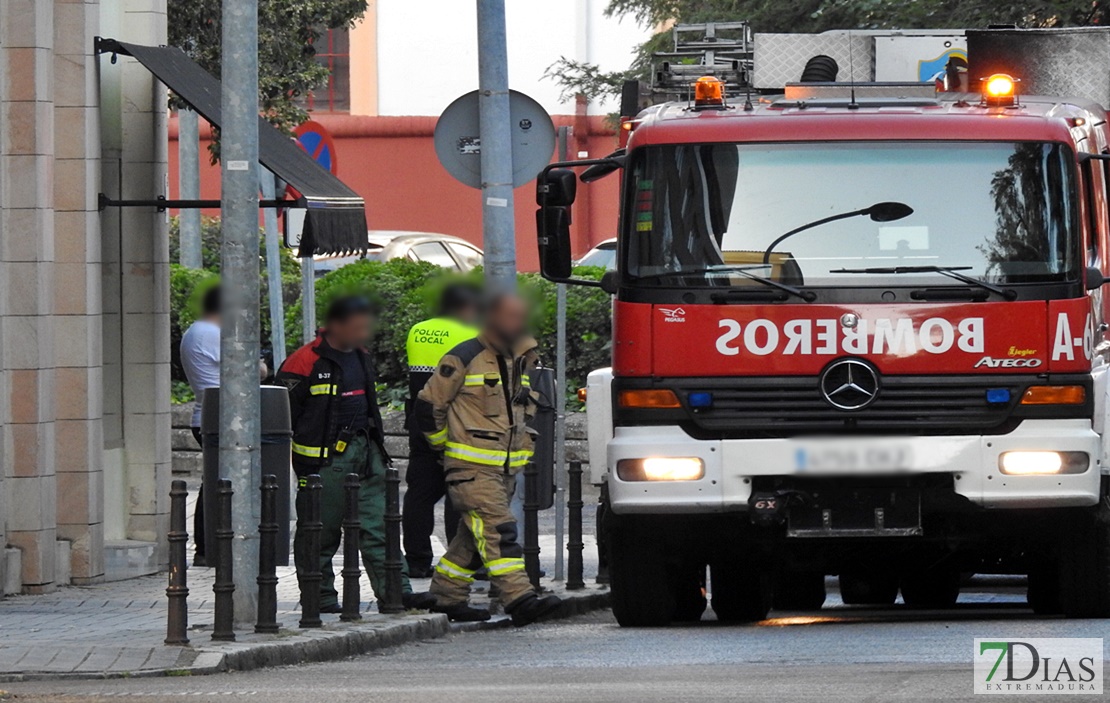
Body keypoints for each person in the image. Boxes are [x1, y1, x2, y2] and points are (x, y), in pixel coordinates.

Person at [276, 296, 435, 613]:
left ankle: (396, 593)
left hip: (366, 453)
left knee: (380, 527)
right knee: (318, 533)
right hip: (325, 463)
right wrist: (306, 467)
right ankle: (319, 598)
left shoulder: (361, 355)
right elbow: (284, 417)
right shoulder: (303, 362)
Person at [415, 293, 563, 626]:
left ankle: (445, 596)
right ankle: (519, 598)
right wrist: (445, 449)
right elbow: (428, 406)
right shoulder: (464, 356)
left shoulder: (519, 358)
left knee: (472, 538)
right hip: (472, 468)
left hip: (504, 468)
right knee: (498, 531)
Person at [402, 284, 481, 577]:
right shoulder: (470, 337)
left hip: (420, 423)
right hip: (457, 425)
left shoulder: (417, 331)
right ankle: (457, 560)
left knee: (419, 494)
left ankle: (417, 561)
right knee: (457, 492)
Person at [179, 284, 221, 567]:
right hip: (218, 415)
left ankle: (207, 548)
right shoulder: (210, 333)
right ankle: (207, 548)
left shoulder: (195, 331)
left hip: (207, 413)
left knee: (214, 483)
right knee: (218, 486)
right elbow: (249, 367)